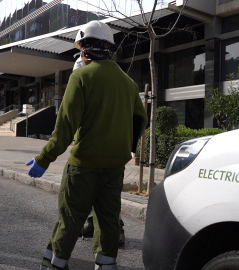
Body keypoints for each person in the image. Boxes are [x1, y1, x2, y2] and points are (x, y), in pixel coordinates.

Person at [26, 20, 148, 270]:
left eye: (80, 47)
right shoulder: (128, 83)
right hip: (115, 166)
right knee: (109, 219)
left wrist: (44, 158)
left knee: (70, 217)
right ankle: (106, 264)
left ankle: (55, 264)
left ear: (85, 49)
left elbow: (65, 126)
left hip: (83, 166)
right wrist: (127, 147)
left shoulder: (80, 76)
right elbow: (140, 120)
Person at [72, 55, 126, 248]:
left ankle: (116, 229)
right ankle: (91, 224)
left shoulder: (101, 80)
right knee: (97, 193)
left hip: (102, 149)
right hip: (97, 149)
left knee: (104, 195)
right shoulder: (95, 79)